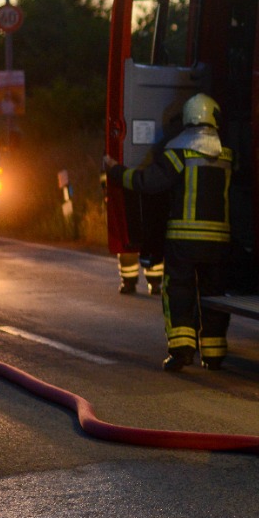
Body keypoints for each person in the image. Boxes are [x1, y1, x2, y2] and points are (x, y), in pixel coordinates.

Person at [105, 93, 233, 371]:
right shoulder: (227, 155)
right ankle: (214, 354)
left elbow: (147, 182)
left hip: (183, 242)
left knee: (179, 292)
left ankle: (182, 351)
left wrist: (115, 171)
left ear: (187, 118)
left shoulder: (178, 153)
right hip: (219, 243)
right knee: (214, 295)